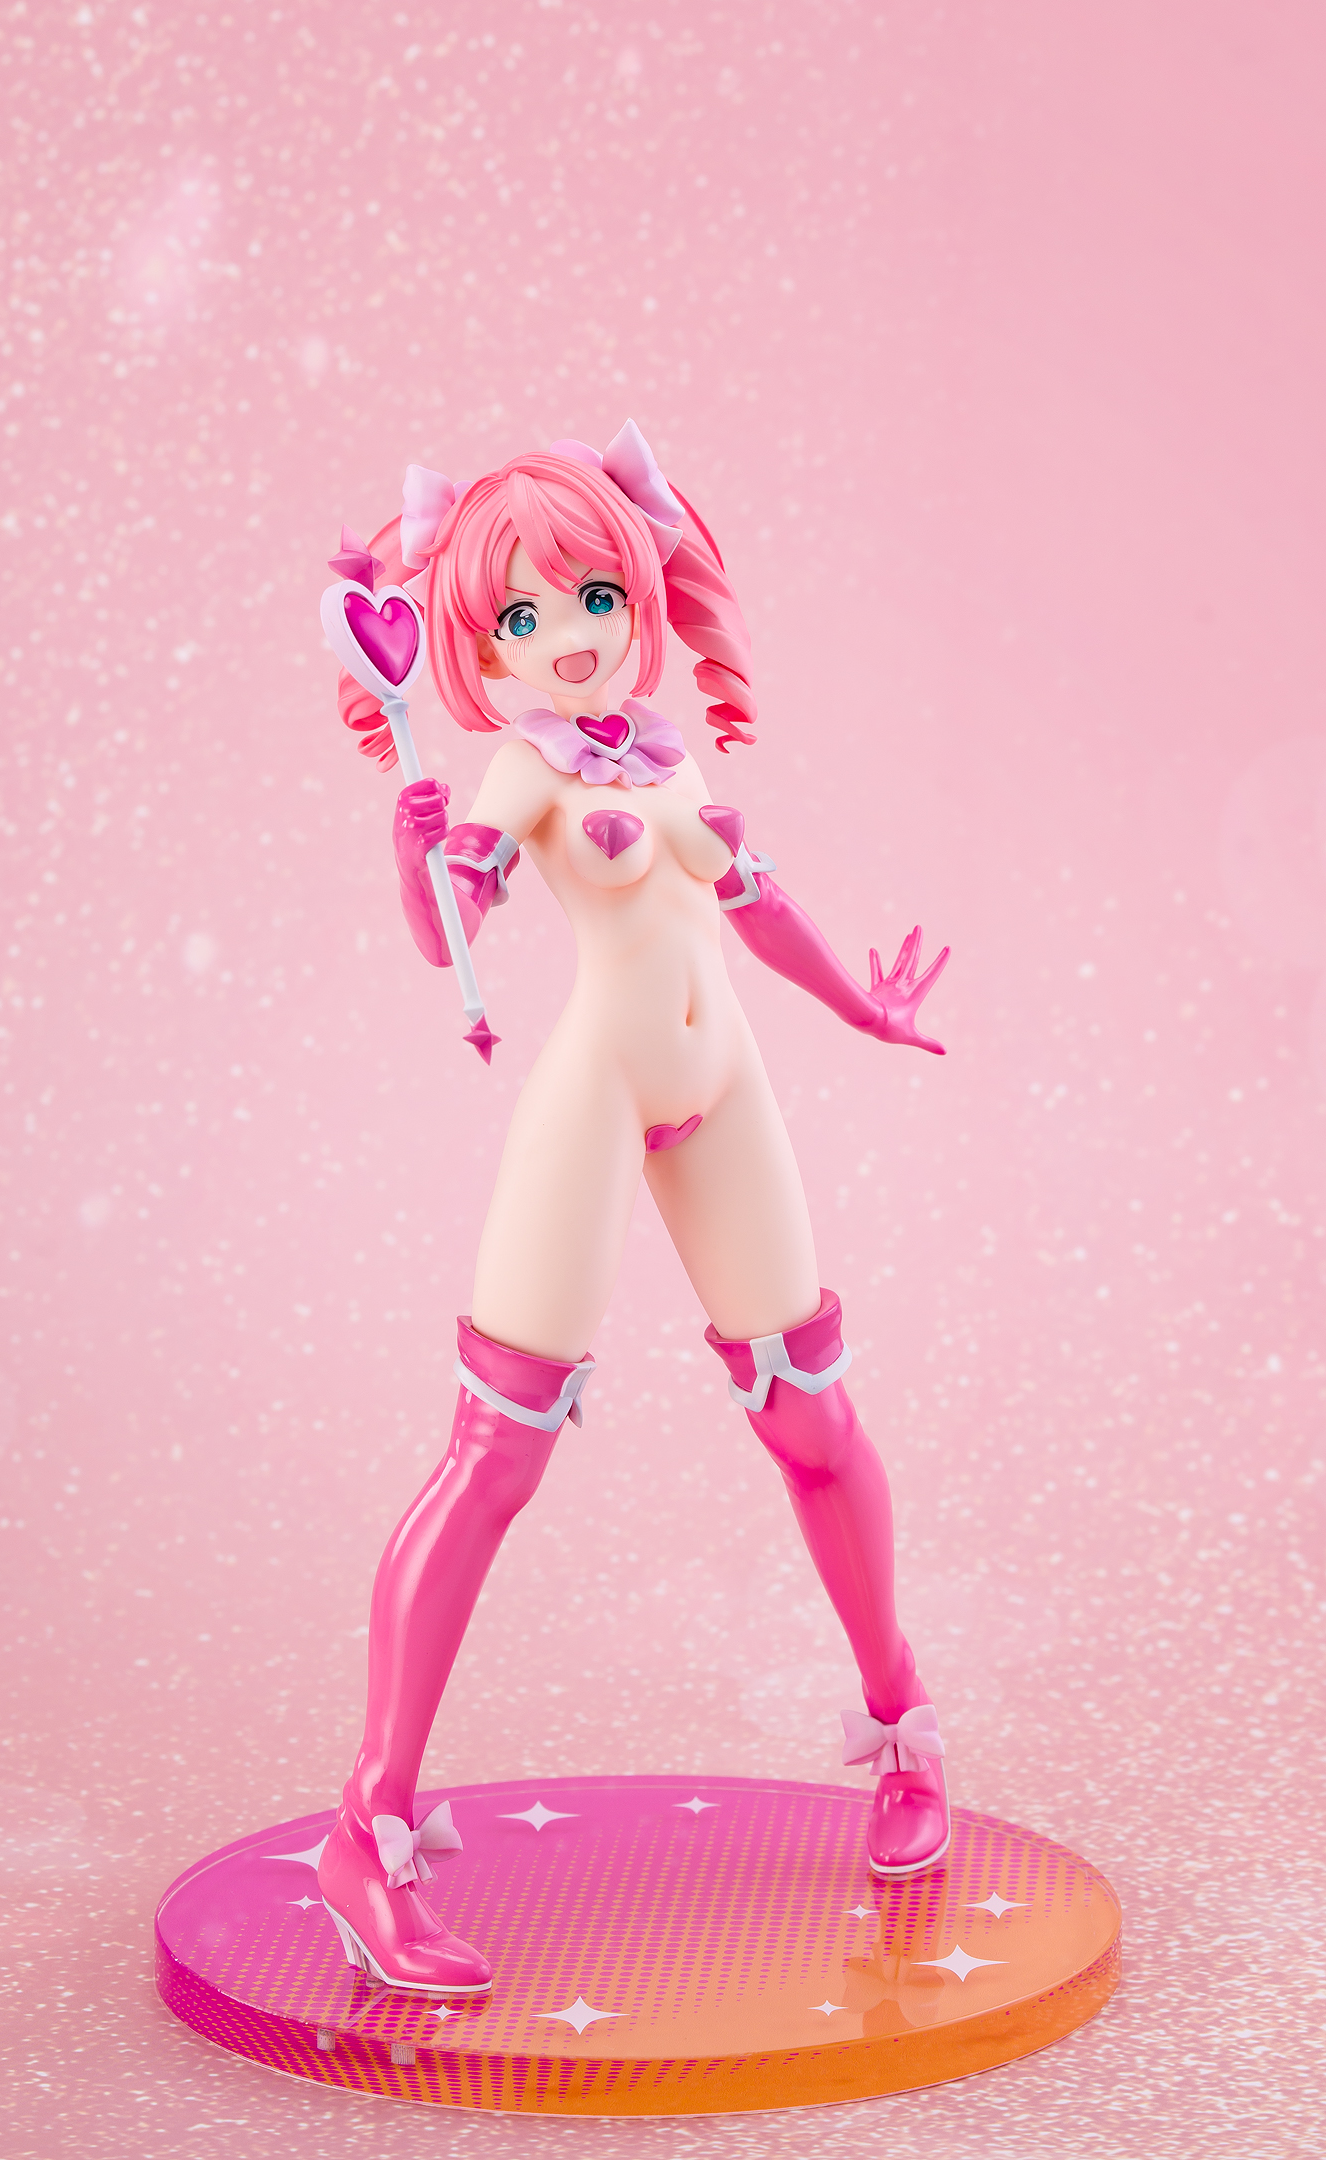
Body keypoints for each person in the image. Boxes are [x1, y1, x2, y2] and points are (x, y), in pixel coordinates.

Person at [317, 423, 952, 1995]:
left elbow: (754, 902)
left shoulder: (668, 755)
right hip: (598, 1094)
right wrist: (414, 862)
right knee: (496, 1454)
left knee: (813, 1417)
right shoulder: (524, 766)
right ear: (479, 651)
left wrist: (860, 1010)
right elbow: (455, 926)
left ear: (639, 595)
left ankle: (904, 1726)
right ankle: (368, 1831)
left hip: (722, 1082)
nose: (570, 637)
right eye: (522, 617)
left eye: (593, 596)